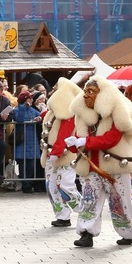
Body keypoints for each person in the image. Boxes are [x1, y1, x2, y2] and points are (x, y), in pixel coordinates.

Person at [67, 75, 132, 248]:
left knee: (120, 200)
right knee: (89, 199)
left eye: (91, 92)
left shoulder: (117, 110)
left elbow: (112, 138)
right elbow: (80, 136)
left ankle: (129, 233)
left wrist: (86, 142)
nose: (86, 95)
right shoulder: (83, 114)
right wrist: (73, 143)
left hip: (114, 164)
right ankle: (86, 233)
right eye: (85, 91)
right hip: (91, 164)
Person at [39, 78, 82, 227]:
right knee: (51, 186)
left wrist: (56, 152)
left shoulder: (68, 113)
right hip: (52, 153)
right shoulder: (54, 111)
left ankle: (84, 209)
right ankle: (62, 215)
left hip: (64, 155)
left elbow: (64, 134)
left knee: (65, 184)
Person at [11, 90, 42, 192]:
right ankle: (26, 185)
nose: (32, 100)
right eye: (30, 98)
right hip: (22, 141)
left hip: (32, 141)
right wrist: (23, 108)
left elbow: (41, 116)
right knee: (23, 164)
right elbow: (19, 120)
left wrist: (39, 118)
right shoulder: (16, 110)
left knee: (31, 165)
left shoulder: (32, 110)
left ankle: (28, 182)